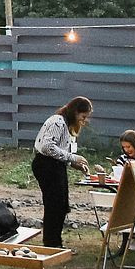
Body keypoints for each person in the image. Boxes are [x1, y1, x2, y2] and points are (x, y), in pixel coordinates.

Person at [32, 96, 94, 249]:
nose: (84, 120)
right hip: (46, 165)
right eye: (83, 116)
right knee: (54, 205)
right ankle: (52, 244)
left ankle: (55, 242)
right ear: (75, 111)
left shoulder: (65, 124)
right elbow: (47, 147)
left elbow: (60, 151)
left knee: (60, 205)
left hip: (55, 165)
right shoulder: (57, 122)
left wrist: (74, 164)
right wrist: (73, 157)